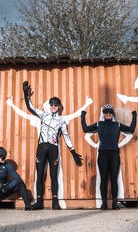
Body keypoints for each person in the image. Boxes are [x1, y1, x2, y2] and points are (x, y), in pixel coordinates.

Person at [23, 81, 83, 210]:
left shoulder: (62, 120)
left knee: (53, 175)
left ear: (59, 106)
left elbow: (66, 136)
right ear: (49, 106)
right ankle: (39, 202)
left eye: (56, 104)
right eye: (52, 104)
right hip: (41, 147)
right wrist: (25, 94)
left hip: (53, 148)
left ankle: (55, 202)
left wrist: (73, 152)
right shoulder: (44, 115)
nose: (54, 106)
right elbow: (30, 107)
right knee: (40, 175)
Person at [81, 104, 137, 210]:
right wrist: (82, 116)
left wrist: (134, 116)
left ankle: (115, 203)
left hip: (114, 154)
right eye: (105, 112)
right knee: (104, 179)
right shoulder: (99, 124)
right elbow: (85, 129)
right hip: (103, 154)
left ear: (112, 114)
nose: (108, 114)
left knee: (114, 179)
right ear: (103, 114)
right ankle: (104, 203)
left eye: (110, 112)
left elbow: (131, 129)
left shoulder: (117, 125)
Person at [0, 146, 32, 210]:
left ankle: (28, 205)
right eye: (2, 158)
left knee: (20, 184)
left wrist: (8, 187)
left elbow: (17, 178)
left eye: (5, 157)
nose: (4, 159)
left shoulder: (7, 165)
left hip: (5, 189)